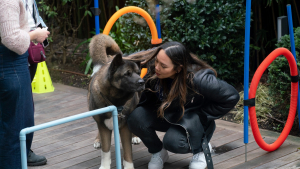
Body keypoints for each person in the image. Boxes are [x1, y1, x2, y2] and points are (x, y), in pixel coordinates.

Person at [127, 42, 240, 169]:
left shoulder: (199, 79)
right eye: (157, 61)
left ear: (178, 68)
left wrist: (202, 115)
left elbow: (232, 96)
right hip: (168, 114)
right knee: (135, 119)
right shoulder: (156, 72)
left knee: (173, 143)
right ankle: (158, 151)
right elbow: (131, 59)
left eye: (163, 66)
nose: (157, 67)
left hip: (189, 119)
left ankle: (200, 149)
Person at [0, 0, 50, 168]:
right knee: (15, 130)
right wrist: (34, 35)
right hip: (10, 63)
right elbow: (11, 38)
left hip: (11, 63)